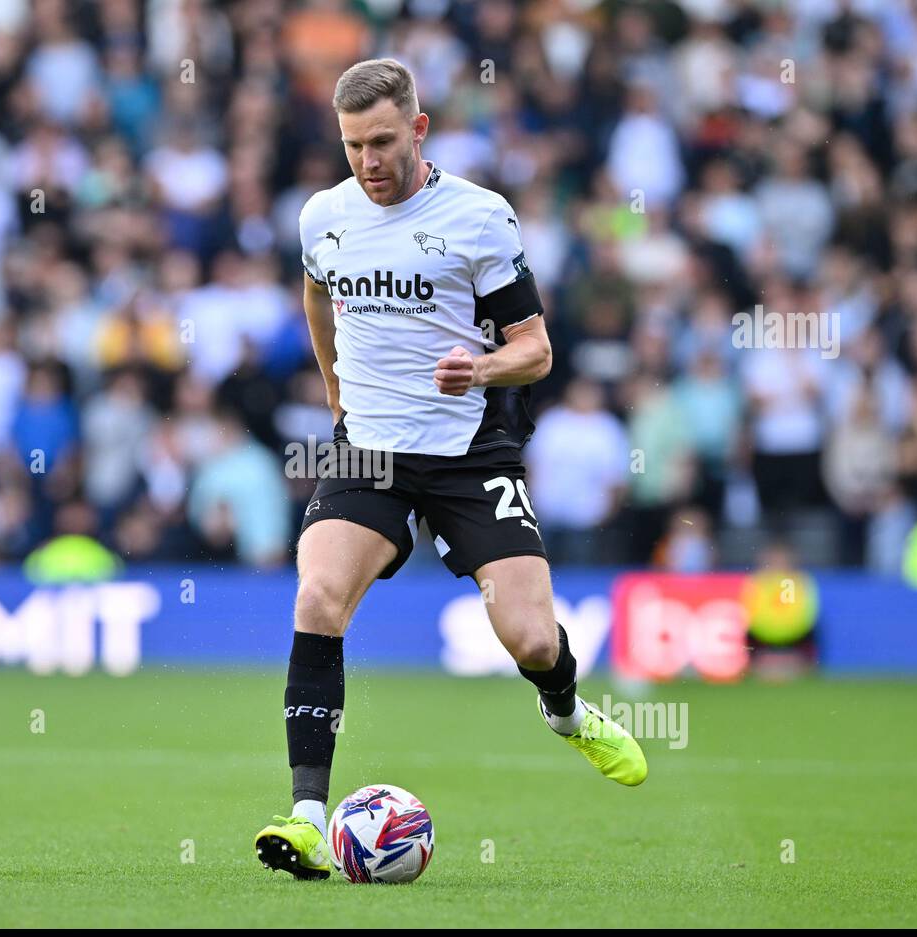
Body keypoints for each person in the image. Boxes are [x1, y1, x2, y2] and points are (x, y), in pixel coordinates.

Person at [254, 59, 646, 882]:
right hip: (369, 451)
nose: (369, 162)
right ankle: (306, 818)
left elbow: (536, 350)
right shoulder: (321, 216)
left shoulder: (479, 218)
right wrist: (335, 398)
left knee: (533, 638)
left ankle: (567, 712)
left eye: (384, 142)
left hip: (469, 453)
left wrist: (484, 369)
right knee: (319, 596)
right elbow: (317, 301)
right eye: (355, 145)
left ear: (420, 130)